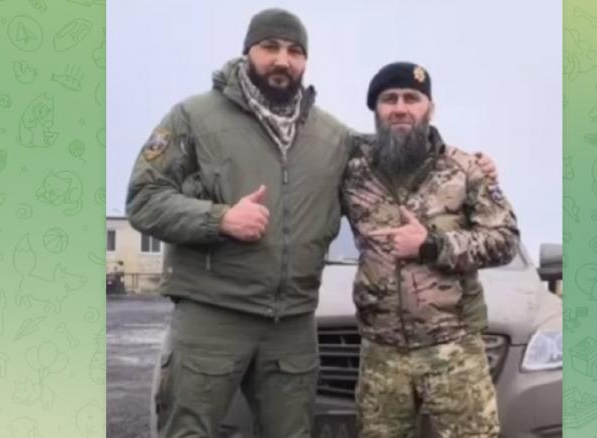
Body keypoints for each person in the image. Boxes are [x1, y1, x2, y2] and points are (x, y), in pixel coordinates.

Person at [126, 8, 500, 437]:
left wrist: (471, 164)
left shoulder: (332, 136)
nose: (282, 60)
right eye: (269, 47)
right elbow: (143, 199)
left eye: (294, 51)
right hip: (213, 314)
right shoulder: (194, 117)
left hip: (292, 322)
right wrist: (220, 218)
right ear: (247, 52)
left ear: (305, 60)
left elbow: (401, 145)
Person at [341, 62, 520, 437]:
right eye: (389, 99)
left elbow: (504, 240)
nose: (400, 108)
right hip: (381, 354)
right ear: (375, 110)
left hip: (454, 350)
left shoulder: (464, 169)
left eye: (411, 98)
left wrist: (431, 245)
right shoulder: (352, 173)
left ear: (430, 108)